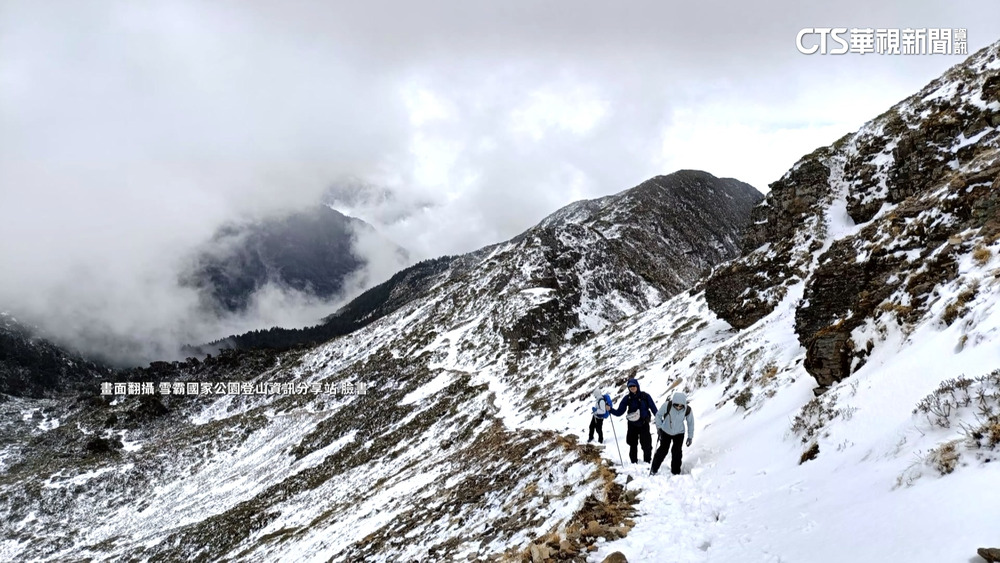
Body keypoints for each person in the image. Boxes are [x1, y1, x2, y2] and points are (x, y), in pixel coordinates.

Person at [609, 378, 658, 463]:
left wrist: (660, 420)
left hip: (644, 424)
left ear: (637, 386)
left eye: (633, 386)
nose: (632, 388)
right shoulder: (627, 398)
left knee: (646, 444)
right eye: (630, 386)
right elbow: (619, 412)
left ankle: (647, 462)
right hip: (632, 425)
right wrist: (610, 409)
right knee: (632, 444)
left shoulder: (645, 396)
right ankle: (633, 462)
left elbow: (654, 409)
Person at [651, 391, 695, 476]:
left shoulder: (687, 410)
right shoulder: (667, 405)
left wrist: (690, 437)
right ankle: (654, 468)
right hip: (666, 431)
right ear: (673, 403)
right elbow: (658, 415)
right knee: (663, 450)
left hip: (679, 433)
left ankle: (675, 472)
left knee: (677, 452)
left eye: (681, 405)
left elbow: (691, 423)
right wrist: (659, 428)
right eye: (676, 405)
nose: (678, 407)